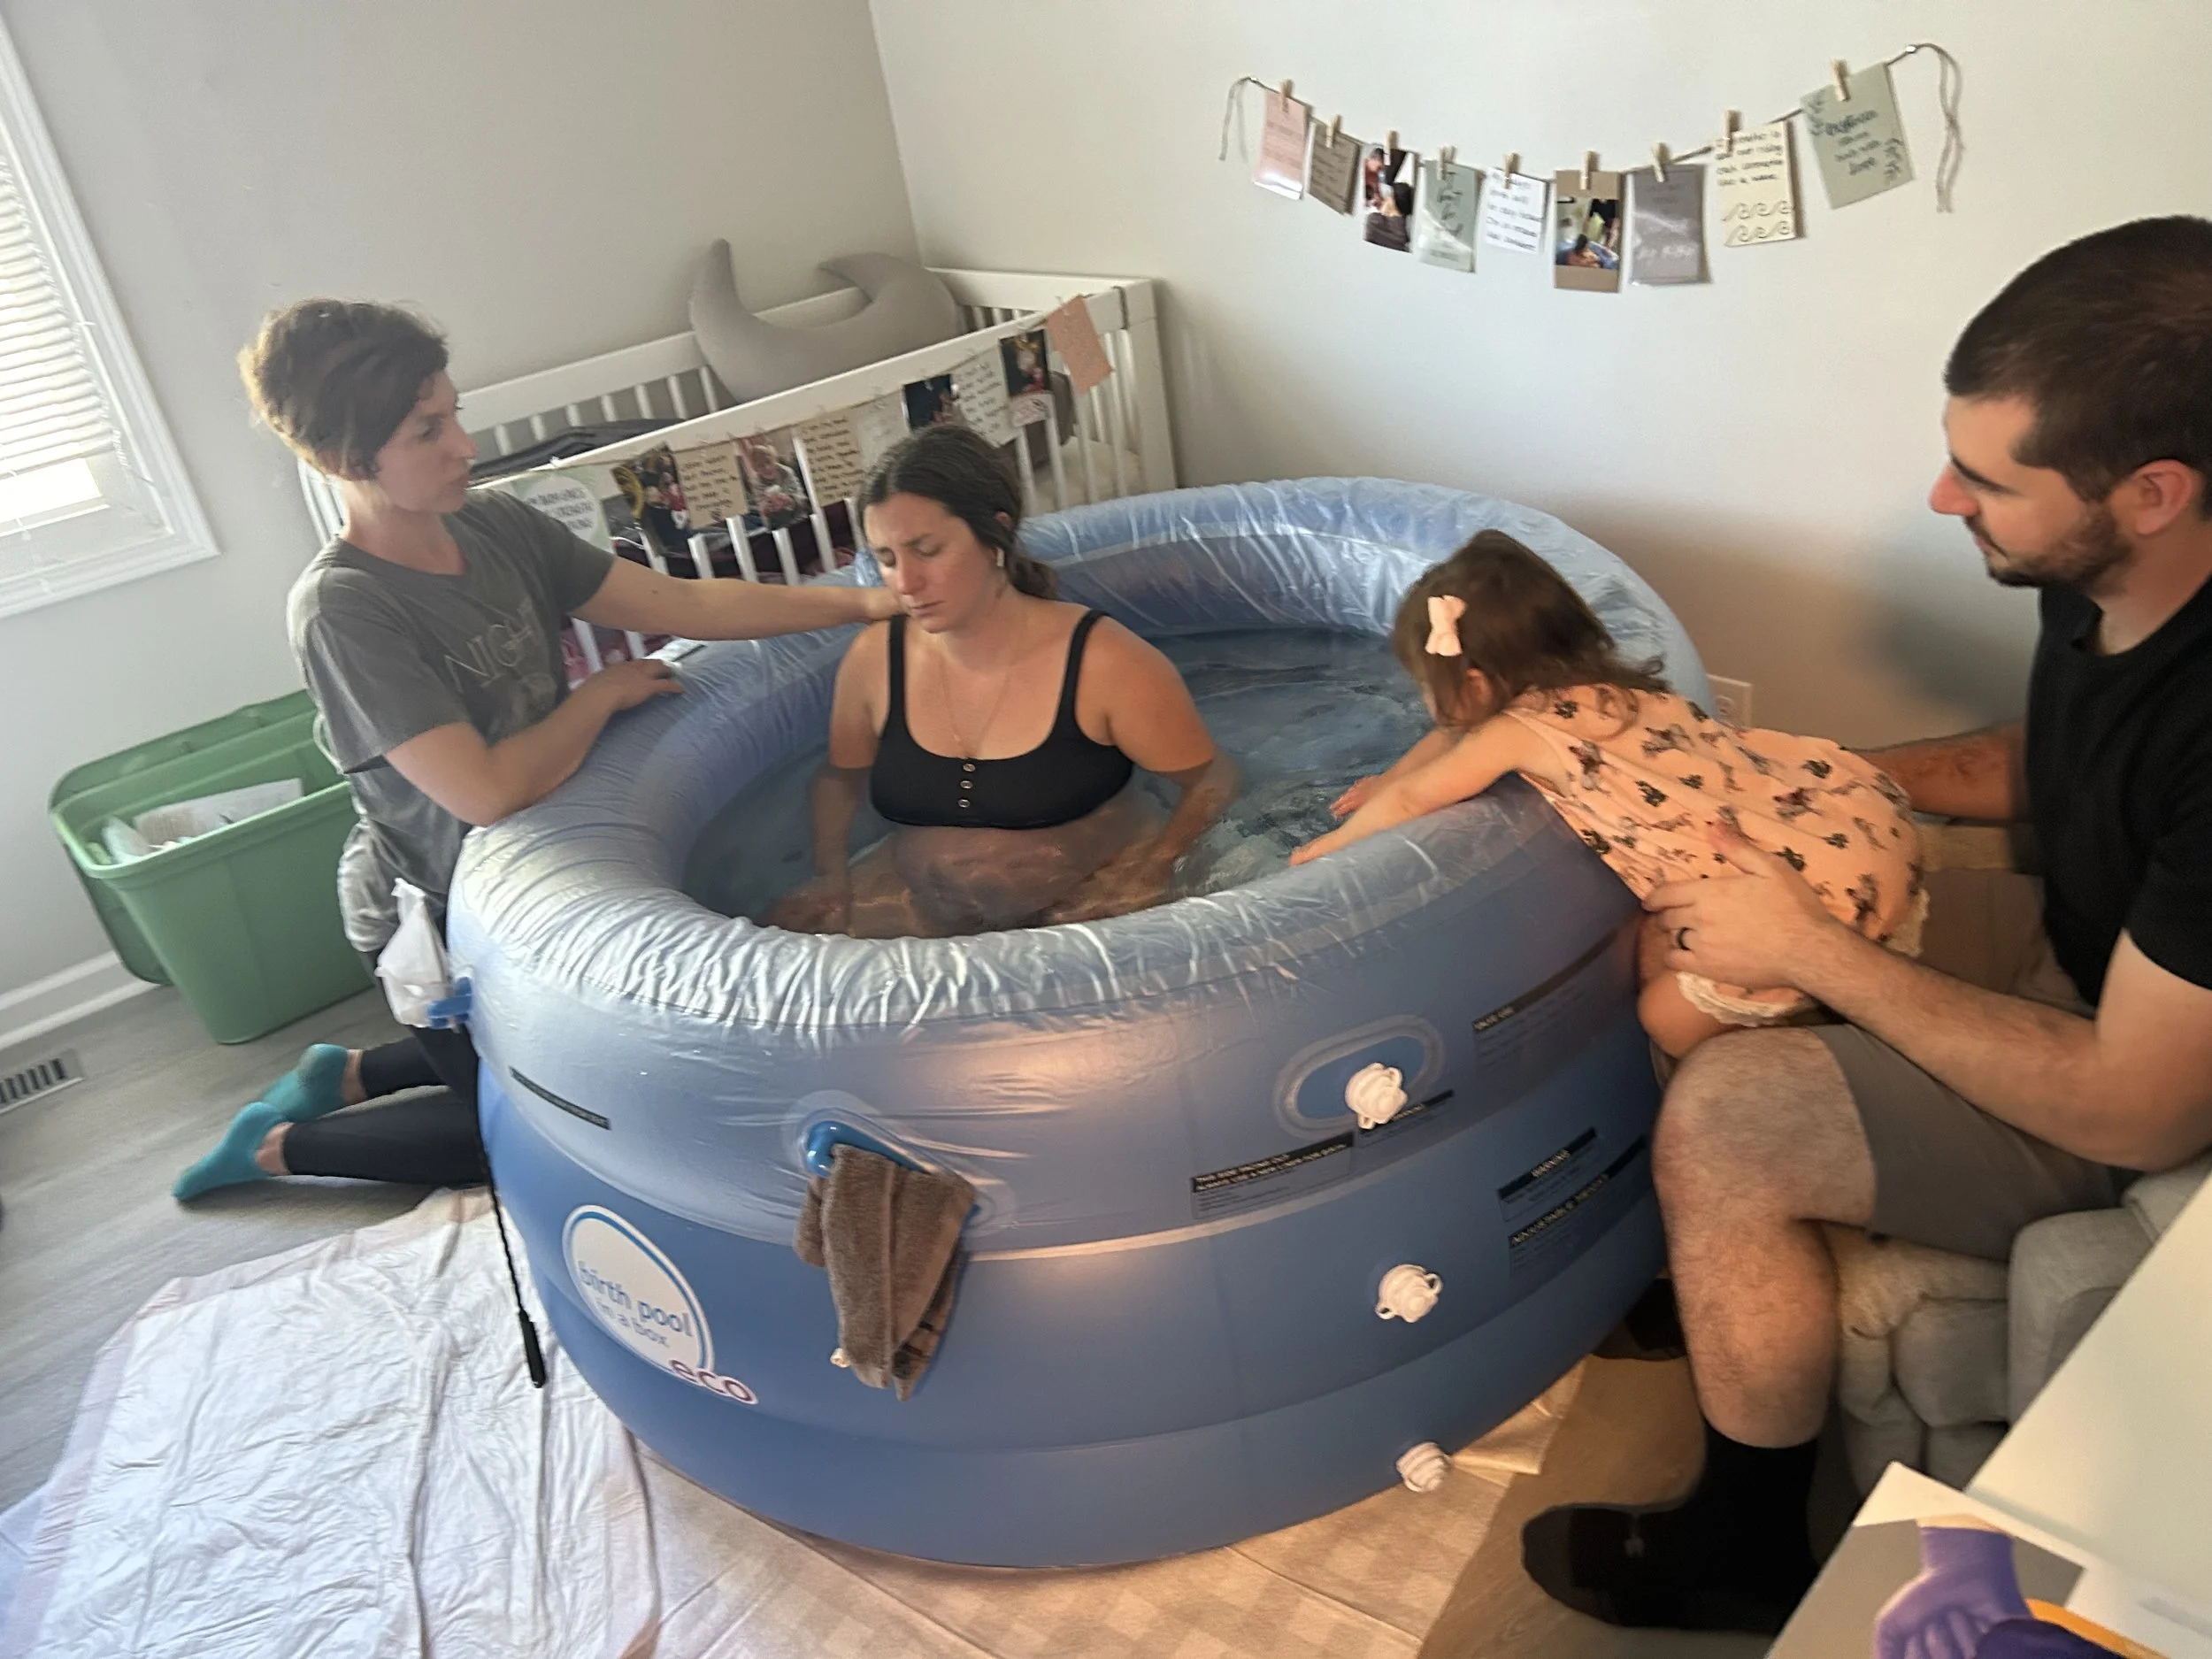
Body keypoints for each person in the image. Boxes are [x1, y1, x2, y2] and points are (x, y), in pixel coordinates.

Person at [1518, 217, 2212, 1634]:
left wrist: (1810, 944)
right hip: (2086, 961)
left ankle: (1748, 1543)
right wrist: (1822, 779)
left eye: (1989, 477)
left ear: (2151, 490)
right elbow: (2071, 758)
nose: (1945, 497)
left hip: (2145, 1092)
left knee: (1727, 1108)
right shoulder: (2120, 583)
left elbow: (2140, 1106)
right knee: (1689, 942)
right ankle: (1701, 1281)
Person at [173, 298, 899, 1201]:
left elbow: (683, 607)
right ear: (341, 461)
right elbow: (483, 790)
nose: (465, 447)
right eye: (427, 430)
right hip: (437, 915)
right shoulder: (344, 609)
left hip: (533, 865)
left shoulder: (498, 527)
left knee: (523, 1066)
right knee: (526, 1131)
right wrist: (597, 693)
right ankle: (278, 1145)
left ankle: (348, 1073)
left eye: (454, 414)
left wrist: (866, 602)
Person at [1291, 531, 1924, 1058]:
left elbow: (1415, 802)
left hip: (1806, 900)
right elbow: (1447, 736)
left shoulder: (1518, 731)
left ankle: (1806, 1019)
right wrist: (1390, 778)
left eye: (1426, 683)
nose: (1426, 699)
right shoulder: (1612, 689)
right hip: (1855, 830)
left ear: (1478, 683)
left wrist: (1329, 849)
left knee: (1666, 1020)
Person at [769, 425, 1234, 937]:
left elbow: (1211, 779)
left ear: (995, 536)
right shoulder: (875, 658)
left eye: (926, 550)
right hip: (924, 896)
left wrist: (1153, 868)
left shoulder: (1105, 661)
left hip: (1088, 899)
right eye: (886, 559)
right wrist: (830, 872)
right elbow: (840, 778)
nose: (905, 582)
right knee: (782, 948)